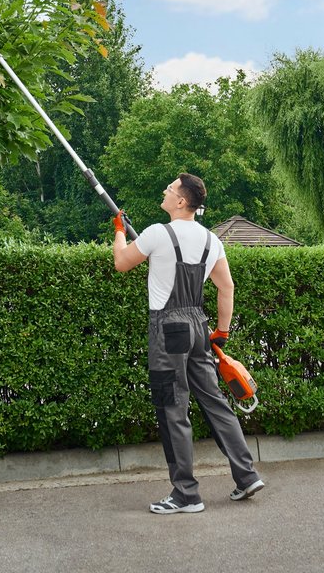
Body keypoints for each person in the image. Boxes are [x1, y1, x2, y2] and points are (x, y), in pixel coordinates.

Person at [112, 173, 265, 514]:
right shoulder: (212, 240)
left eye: (169, 189)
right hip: (199, 326)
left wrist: (119, 230)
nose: (164, 193)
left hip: (168, 329)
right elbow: (227, 289)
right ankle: (247, 475)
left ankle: (186, 494)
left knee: (172, 408)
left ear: (181, 201)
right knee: (216, 404)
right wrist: (221, 333)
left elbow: (122, 262)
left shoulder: (156, 233)